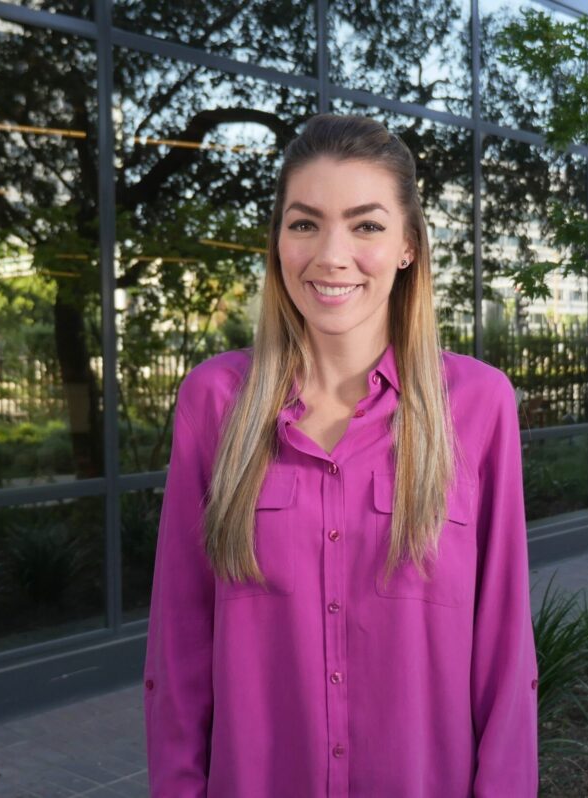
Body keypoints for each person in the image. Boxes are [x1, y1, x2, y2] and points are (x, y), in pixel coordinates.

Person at [143, 113, 538, 797]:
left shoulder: (478, 405)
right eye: (304, 223)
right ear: (277, 242)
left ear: (409, 245)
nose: (331, 254)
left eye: (366, 225)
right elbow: (179, 645)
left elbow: (505, 651)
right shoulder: (214, 403)